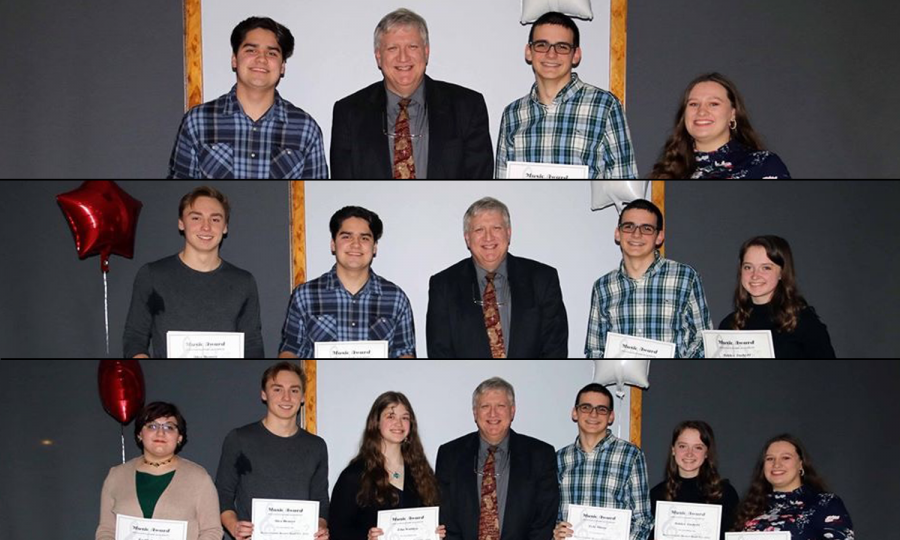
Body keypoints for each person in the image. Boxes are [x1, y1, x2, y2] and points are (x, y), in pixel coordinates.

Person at [331, 8, 493, 179]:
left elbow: (481, 178)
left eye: (412, 47)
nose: (403, 58)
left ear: (426, 51)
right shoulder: (348, 113)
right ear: (378, 56)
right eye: (393, 48)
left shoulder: (468, 107)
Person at [168, 16, 328, 178]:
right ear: (234, 60)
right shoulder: (198, 121)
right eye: (251, 50)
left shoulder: (305, 128)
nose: (261, 59)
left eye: (272, 53)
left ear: (282, 67)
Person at [123, 186, 264, 358]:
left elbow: (252, 344)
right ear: (181, 223)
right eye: (196, 218)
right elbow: (135, 337)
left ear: (225, 226)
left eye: (215, 219)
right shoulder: (152, 275)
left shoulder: (244, 282)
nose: (206, 227)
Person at [496, 11, 637, 179]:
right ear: (529, 51)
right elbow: (501, 178)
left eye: (562, 47)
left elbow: (624, 177)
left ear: (575, 55)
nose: (551, 54)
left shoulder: (605, 106)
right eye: (542, 45)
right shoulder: (512, 114)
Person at [426, 197, 568, 358]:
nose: (488, 238)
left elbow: (556, 349)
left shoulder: (543, 279)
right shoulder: (443, 285)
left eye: (496, 228)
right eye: (479, 230)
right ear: (467, 238)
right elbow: (439, 353)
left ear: (508, 233)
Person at [279, 206, 416, 358]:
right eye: (346, 236)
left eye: (364, 238)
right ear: (333, 244)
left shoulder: (396, 298)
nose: (355, 244)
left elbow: (405, 353)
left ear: (374, 247)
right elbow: (291, 350)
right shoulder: (304, 296)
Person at [215, 362, 330, 540]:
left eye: (294, 390)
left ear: (302, 397)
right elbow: (223, 493)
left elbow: (320, 499)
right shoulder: (240, 439)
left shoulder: (316, 446)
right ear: (264, 394)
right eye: (277, 389)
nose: (286, 398)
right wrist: (234, 526)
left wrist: (321, 527)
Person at [585, 198, 712, 358]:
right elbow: (595, 349)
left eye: (646, 228)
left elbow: (702, 340)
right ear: (618, 233)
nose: (636, 234)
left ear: (659, 236)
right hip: (623, 381)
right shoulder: (602, 287)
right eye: (628, 226)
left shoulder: (685, 277)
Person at [436, 378, 559, 540]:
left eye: (500, 406)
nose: (492, 414)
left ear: (512, 411)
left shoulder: (541, 455)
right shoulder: (449, 455)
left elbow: (544, 519)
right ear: (475, 412)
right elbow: (446, 517)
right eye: (485, 406)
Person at [96, 402, 223, 540]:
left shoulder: (199, 478)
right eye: (152, 426)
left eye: (169, 427)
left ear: (179, 437)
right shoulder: (116, 476)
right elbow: (106, 530)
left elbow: (212, 531)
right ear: (140, 434)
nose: (160, 433)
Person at [330, 392, 446, 540]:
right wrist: (366, 537)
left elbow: (434, 515)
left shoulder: (421, 472)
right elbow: (337, 531)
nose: (398, 423)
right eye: (390, 416)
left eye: (404, 417)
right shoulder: (354, 475)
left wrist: (436, 532)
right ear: (376, 422)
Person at [554, 384, 652, 540]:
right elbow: (551, 514)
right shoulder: (559, 459)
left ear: (611, 416)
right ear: (575, 413)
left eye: (601, 409)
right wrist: (555, 532)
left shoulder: (631, 455)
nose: (593, 414)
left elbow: (643, 520)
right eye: (586, 407)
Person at [648, 72, 790, 179]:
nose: (701, 112)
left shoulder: (762, 165)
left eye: (713, 104)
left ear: (733, 114)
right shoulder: (665, 172)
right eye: (693, 104)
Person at [720, 236, 836, 358]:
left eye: (766, 268)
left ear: (782, 273)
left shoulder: (802, 322)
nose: (755, 275)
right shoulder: (729, 325)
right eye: (748, 267)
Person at [734, 434, 854, 539]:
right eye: (770, 459)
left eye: (785, 458)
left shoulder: (825, 503)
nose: (776, 464)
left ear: (801, 464)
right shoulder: (749, 508)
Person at [649, 421, 739, 540]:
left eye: (698, 447)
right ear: (673, 450)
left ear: (707, 453)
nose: (689, 453)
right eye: (682, 446)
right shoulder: (657, 494)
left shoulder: (725, 493)